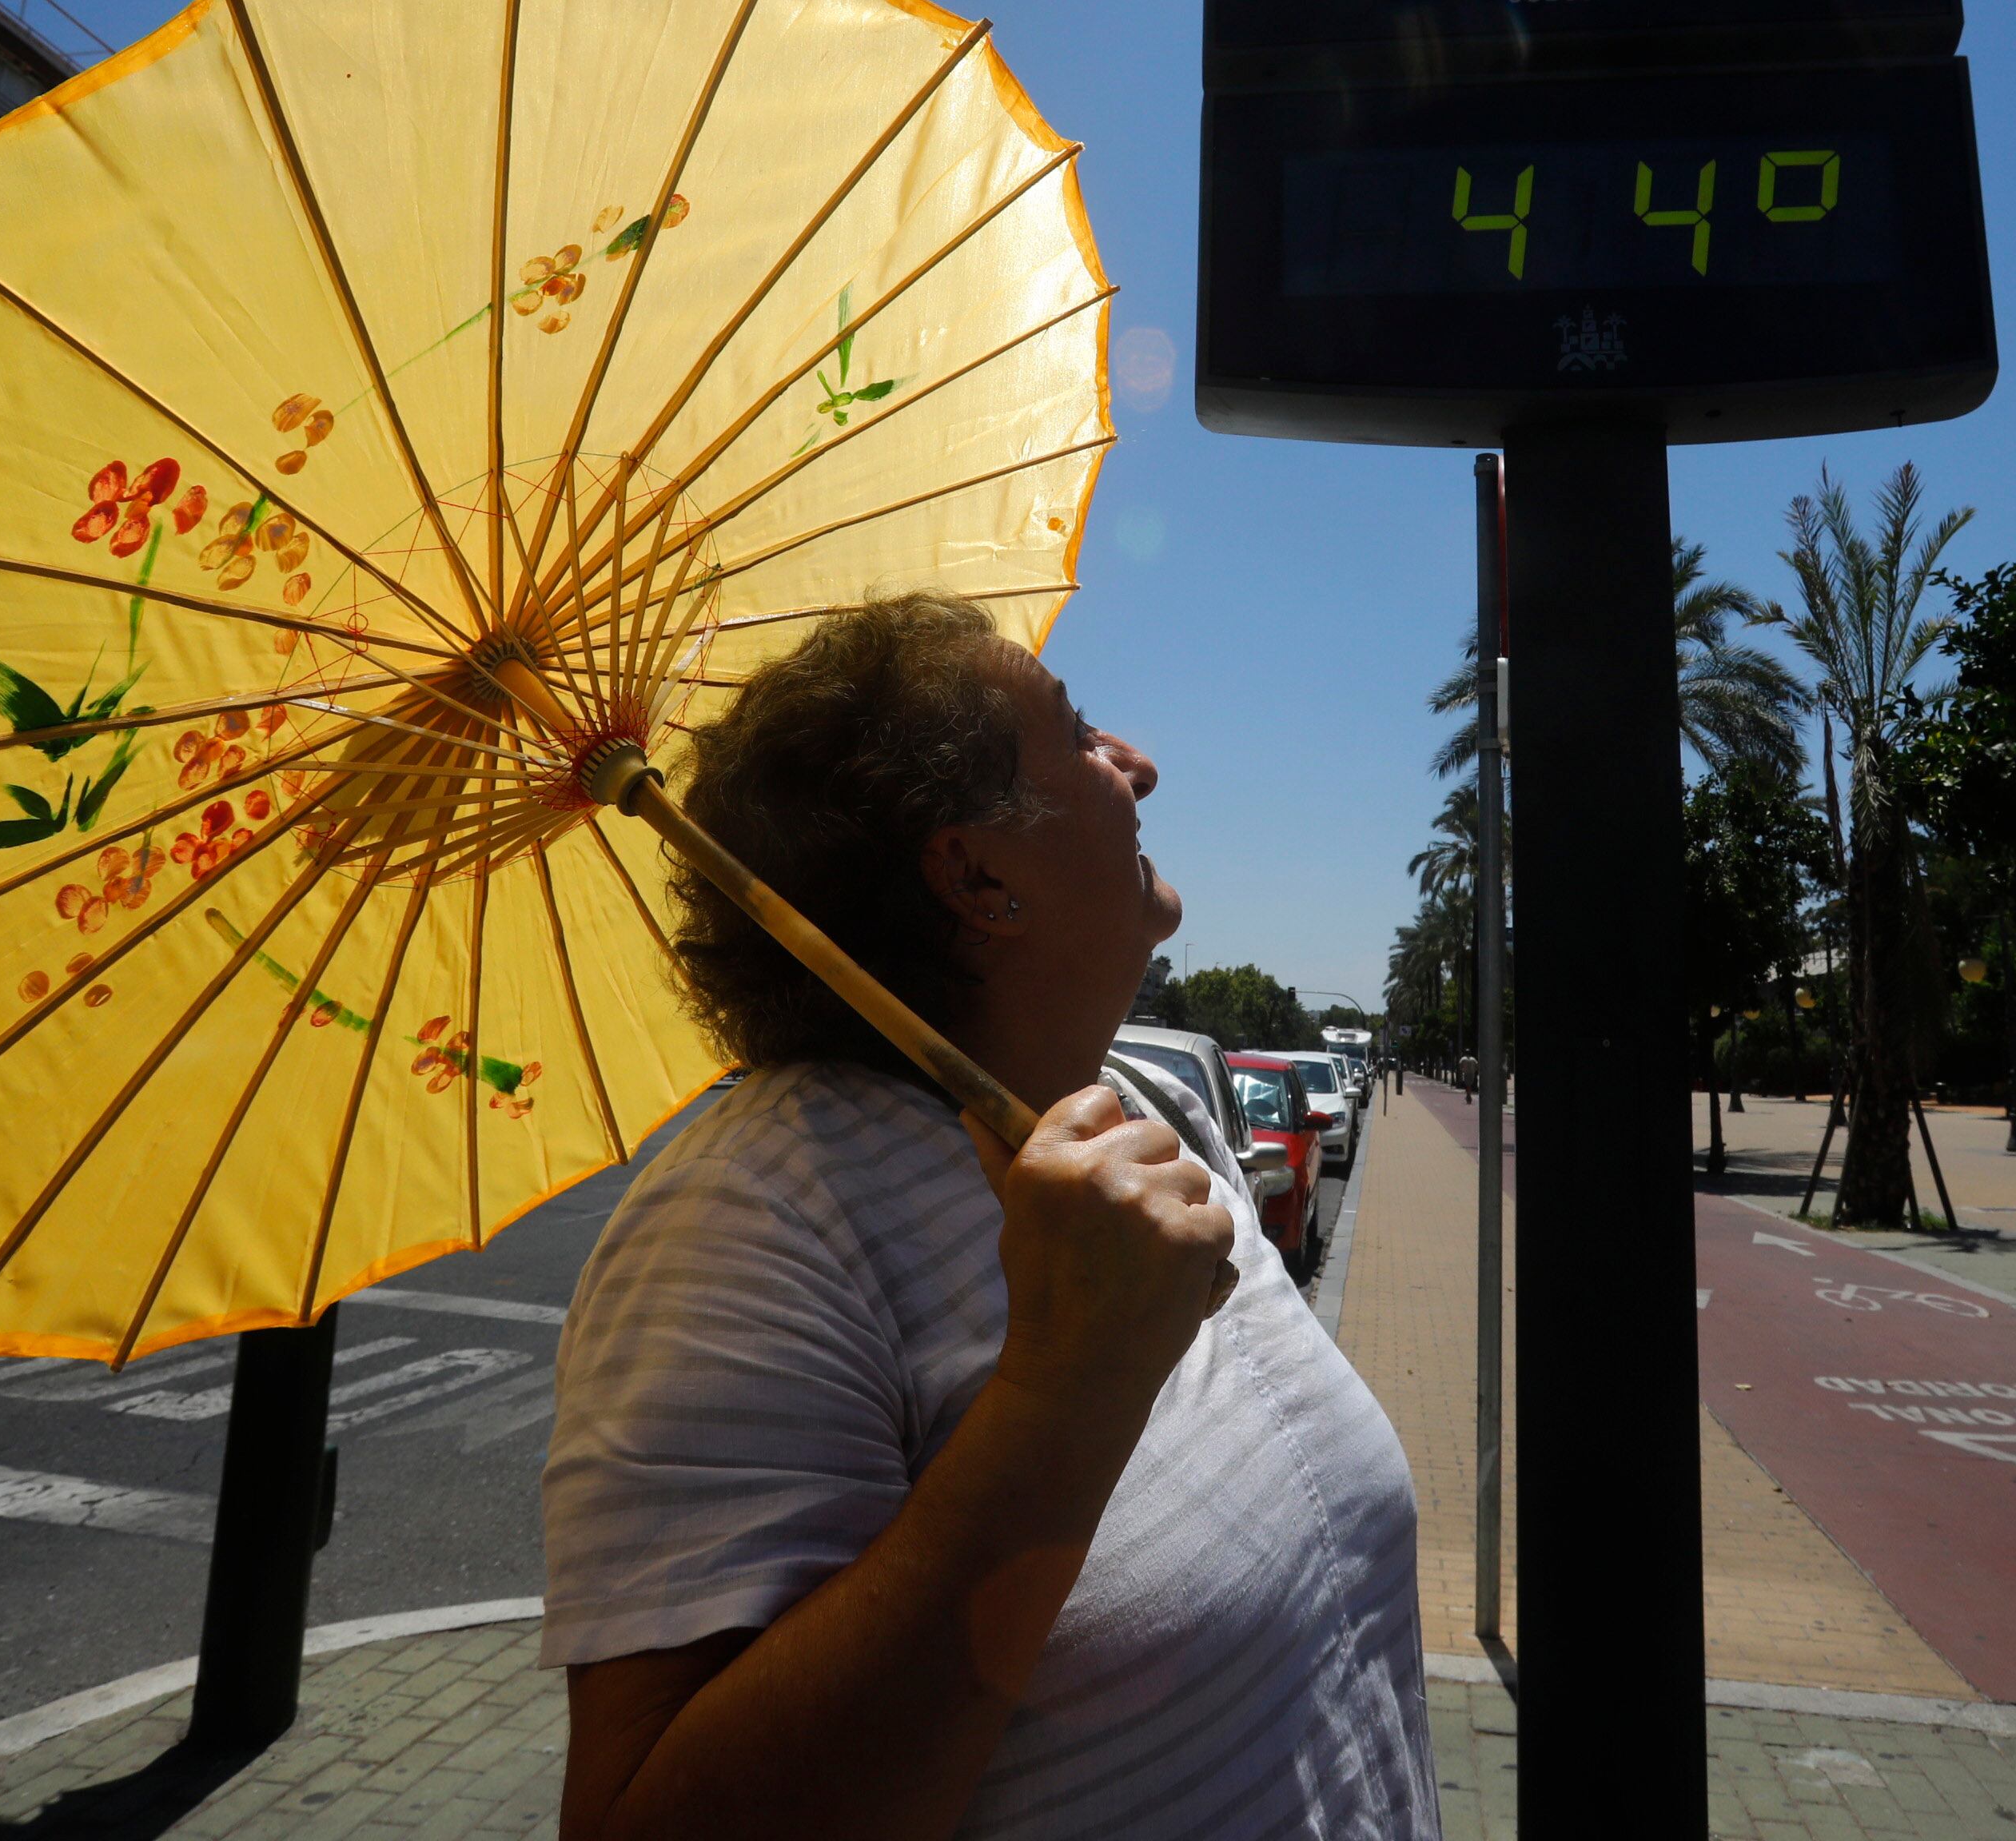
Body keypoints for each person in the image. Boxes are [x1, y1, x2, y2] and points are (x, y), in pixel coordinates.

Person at [540, 595, 1440, 1841]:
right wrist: (1065, 1389)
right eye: (1074, 735)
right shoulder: (751, 1226)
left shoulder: (1146, 1098)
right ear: (976, 876)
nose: (1139, 764)